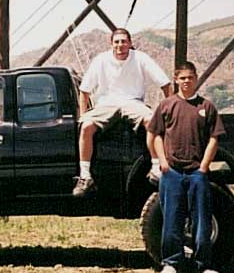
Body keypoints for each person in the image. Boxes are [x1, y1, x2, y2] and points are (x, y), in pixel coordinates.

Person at [147, 61, 225, 273]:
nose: (186, 81)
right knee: (171, 219)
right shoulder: (166, 105)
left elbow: (214, 138)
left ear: (196, 78)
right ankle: (171, 263)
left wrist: (204, 167)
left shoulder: (206, 106)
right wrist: (162, 162)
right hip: (172, 172)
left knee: (202, 219)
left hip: (196, 173)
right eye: (182, 78)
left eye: (190, 77)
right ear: (176, 79)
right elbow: (155, 135)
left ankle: (204, 265)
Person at [72, 28, 171, 198]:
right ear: (111, 44)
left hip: (133, 101)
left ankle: (156, 168)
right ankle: (85, 176)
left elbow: (165, 83)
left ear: (130, 43)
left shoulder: (140, 58)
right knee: (86, 126)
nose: (120, 45)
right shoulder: (101, 60)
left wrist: (171, 110)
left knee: (151, 121)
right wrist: (83, 115)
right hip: (106, 103)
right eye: (116, 42)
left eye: (124, 41)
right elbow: (84, 90)